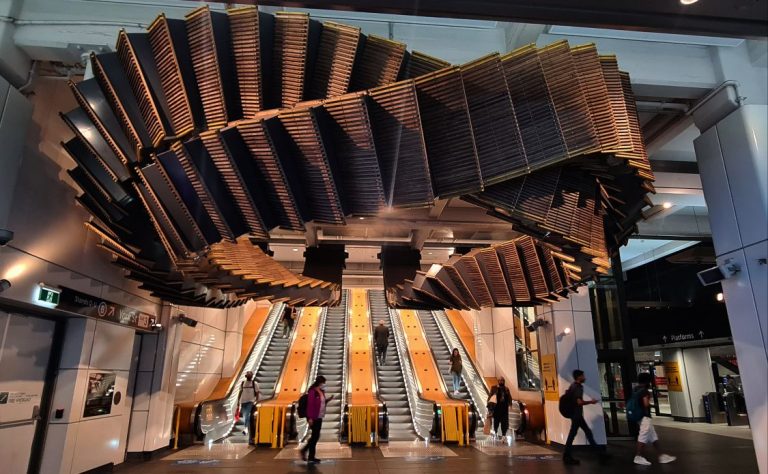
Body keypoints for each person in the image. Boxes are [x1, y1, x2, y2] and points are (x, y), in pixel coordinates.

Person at [562, 369, 605, 465]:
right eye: (583, 376)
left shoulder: (573, 386)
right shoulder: (577, 387)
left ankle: (599, 453)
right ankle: (567, 455)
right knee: (574, 434)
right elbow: (579, 402)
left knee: (586, 432)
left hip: (576, 415)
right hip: (576, 415)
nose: (584, 377)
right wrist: (591, 402)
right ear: (579, 377)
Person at [634, 372, 676, 465]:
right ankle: (638, 456)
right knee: (643, 436)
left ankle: (661, 456)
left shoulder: (636, 389)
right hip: (645, 417)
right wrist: (653, 405)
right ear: (647, 381)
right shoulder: (644, 391)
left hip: (639, 416)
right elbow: (645, 404)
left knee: (653, 437)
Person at [301, 375, 334, 464]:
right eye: (324, 383)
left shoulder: (321, 392)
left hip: (319, 416)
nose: (324, 384)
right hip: (314, 417)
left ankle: (310, 455)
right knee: (315, 436)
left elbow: (321, 403)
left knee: (315, 436)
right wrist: (310, 418)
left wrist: (328, 400)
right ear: (320, 383)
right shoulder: (313, 392)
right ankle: (306, 452)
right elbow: (310, 405)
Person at [238, 371, 260, 438]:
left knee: (247, 414)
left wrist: (256, 400)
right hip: (243, 401)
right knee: (245, 416)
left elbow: (257, 393)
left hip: (250, 401)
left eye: (250, 375)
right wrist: (238, 402)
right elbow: (240, 392)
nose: (249, 377)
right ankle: (248, 428)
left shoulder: (254, 383)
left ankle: (246, 429)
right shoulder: (242, 383)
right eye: (248, 375)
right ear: (246, 376)